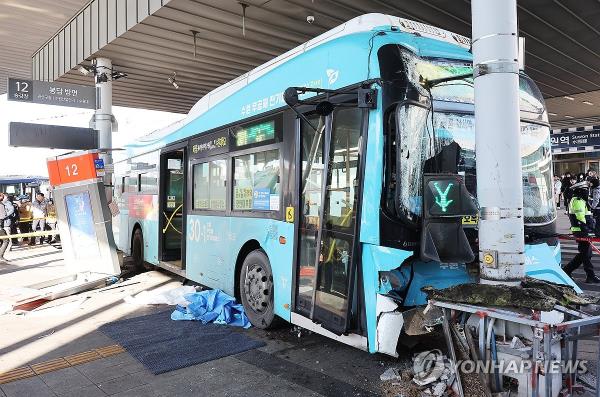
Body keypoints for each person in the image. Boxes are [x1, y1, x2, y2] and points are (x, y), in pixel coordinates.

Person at [563, 181, 600, 283]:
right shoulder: (578, 200)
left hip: (581, 230)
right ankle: (590, 275)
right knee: (585, 254)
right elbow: (580, 218)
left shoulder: (579, 200)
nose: (587, 193)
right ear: (580, 191)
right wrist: (587, 230)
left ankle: (567, 270)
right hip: (581, 230)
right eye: (585, 191)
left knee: (585, 254)